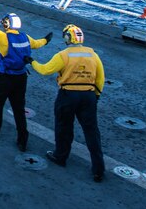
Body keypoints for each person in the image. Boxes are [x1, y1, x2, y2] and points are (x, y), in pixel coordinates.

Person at [25, 24, 106, 182]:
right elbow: (100, 78)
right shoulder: (93, 54)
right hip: (88, 96)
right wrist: (96, 95)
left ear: (67, 38)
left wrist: (32, 61)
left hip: (68, 95)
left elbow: (44, 70)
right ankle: (99, 169)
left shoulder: (63, 55)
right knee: (92, 133)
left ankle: (60, 156)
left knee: (64, 127)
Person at [0, 0, 51, 152]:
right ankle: (22, 141)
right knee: (19, 110)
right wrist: (47, 40)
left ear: (7, 24)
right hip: (21, 78)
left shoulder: (4, 38)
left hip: (5, 78)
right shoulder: (26, 38)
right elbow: (38, 43)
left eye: (5, 22)